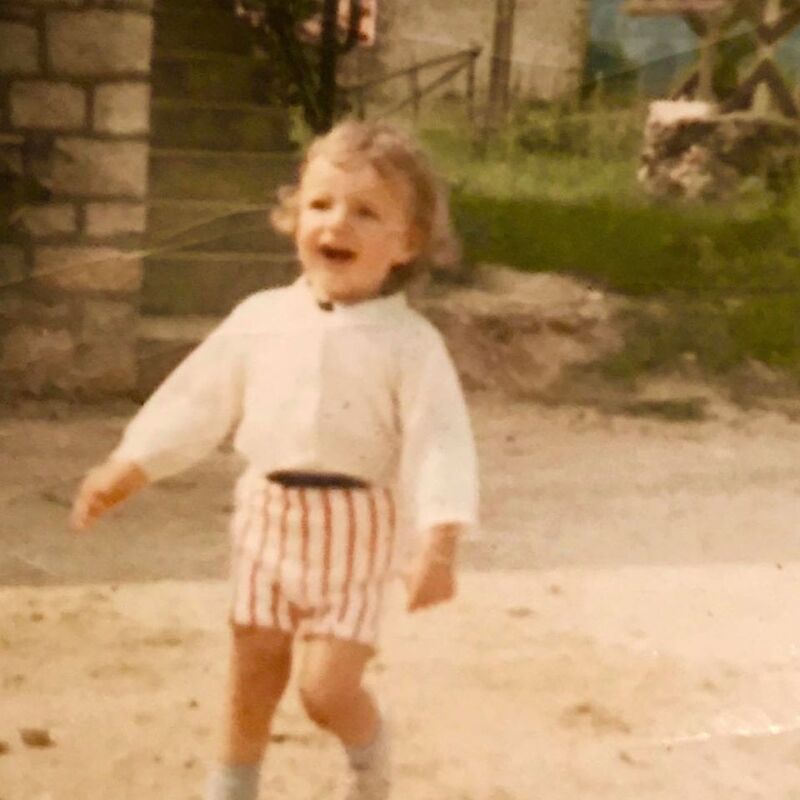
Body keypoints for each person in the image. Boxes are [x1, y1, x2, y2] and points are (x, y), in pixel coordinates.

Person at [70, 119, 479, 800]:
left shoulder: (410, 344)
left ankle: (368, 751)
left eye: (365, 212)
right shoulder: (261, 317)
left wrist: (439, 540)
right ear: (294, 220)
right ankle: (233, 784)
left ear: (406, 243)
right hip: (268, 517)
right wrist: (132, 463)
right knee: (253, 661)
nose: (336, 223)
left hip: (355, 531)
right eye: (320, 204)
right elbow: (198, 399)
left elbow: (439, 439)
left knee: (324, 689)